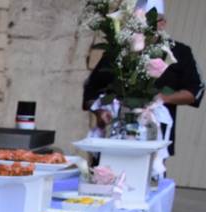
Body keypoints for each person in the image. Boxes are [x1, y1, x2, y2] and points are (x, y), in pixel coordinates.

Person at [82, 0, 203, 155]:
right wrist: (100, 111)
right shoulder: (117, 51)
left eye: (147, 21)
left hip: (155, 138)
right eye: (137, 21)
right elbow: (91, 90)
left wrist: (163, 98)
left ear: (162, 24)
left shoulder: (180, 52)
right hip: (113, 137)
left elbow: (194, 92)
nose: (141, 27)